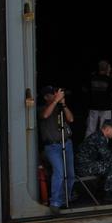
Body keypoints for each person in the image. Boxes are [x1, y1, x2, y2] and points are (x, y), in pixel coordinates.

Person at [38, 85, 76, 214]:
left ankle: (65, 199)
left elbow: (71, 119)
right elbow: (45, 115)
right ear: (46, 97)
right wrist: (55, 101)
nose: (56, 96)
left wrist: (64, 105)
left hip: (67, 143)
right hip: (52, 146)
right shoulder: (41, 108)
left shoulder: (60, 107)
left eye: (56, 94)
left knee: (70, 174)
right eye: (52, 94)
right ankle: (55, 202)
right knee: (59, 172)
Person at [85, 59, 112, 137]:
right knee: (105, 129)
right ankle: (102, 146)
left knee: (91, 128)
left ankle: (87, 146)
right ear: (107, 68)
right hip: (106, 107)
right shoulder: (110, 79)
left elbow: (85, 89)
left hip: (93, 106)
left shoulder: (92, 77)